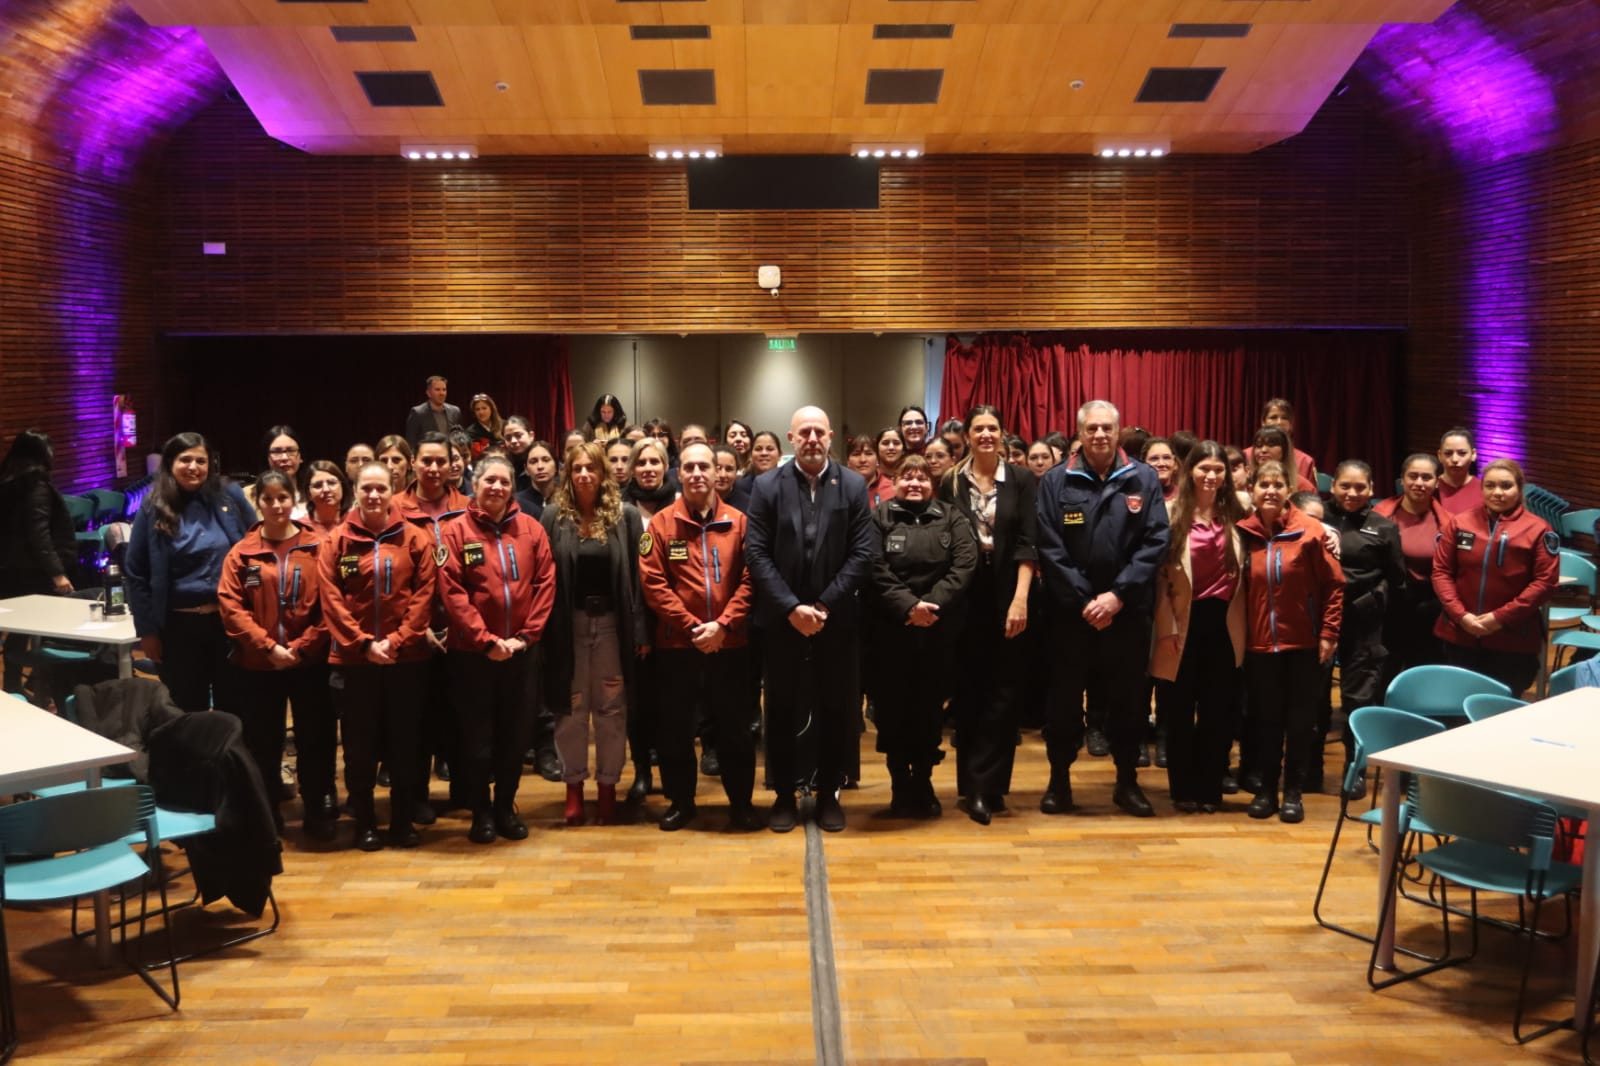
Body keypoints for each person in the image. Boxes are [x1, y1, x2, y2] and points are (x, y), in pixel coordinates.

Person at [745, 405, 876, 833]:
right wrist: (790, 607)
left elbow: (862, 552)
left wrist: (822, 607)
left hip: (834, 620)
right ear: (791, 437)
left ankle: (828, 794)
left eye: (820, 431)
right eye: (805, 432)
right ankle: (784, 793)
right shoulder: (767, 486)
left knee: (835, 709)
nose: (812, 439)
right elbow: (757, 553)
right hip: (782, 620)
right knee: (780, 708)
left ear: (831, 436)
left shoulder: (853, 485)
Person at [1035, 400, 1169, 817]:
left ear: (1118, 431)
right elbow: (1049, 546)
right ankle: (1059, 781)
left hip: (1126, 613)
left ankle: (1127, 782)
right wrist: (1085, 599)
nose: (1099, 435)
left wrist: (1116, 596)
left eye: (1107, 428)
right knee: (1062, 703)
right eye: (1091, 428)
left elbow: (1155, 542)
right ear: (1079, 433)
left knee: (1128, 703)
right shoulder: (1056, 481)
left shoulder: (1143, 479)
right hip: (1070, 616)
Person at [638, 442, 760, 831]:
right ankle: (682, 802)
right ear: (678, 473)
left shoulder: (740, 523)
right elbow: (653, 584)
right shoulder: (660, 524)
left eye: (704, 466)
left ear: (719, 472)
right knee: (675, 728)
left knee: (735, 729)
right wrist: (694, 626)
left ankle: (740, 803)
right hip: (678, 645)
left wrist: (723, 625)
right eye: (688, 467)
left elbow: (751, 578)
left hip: (731, 643)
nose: (696, 474)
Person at [318, 462, 438, 850]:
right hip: (355, 663)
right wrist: (365, 644)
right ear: (355, 490)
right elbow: (331, 600)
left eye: (380, 488)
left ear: (393, 490)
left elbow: (424, 596)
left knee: (405, 745)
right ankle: (365, 822)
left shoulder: (416, 538)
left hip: (407, 661)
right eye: (366, 488)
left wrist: (399, 640)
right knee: (359, 748)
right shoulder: (335, 541)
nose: (373, 495)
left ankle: (402, 822)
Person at [437, 454, 557, 844]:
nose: (497, 487)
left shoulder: (532, 529)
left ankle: (505, 806)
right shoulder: (454, 532)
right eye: (489, 480)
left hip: (521, 653)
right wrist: (487, 641)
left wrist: (524, 637)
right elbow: (453, 594)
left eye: (504, 481)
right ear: (475, 483)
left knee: (514, 735)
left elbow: (545, 584)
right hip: (473, 655)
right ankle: (481, 812)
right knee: (476, 738)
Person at [217, 469, 334, 838]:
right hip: (257, 663)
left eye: (283, 498)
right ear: (258, 503)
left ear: (294, 499)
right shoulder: (242, 552)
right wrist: (268, 647)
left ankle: (318, 806)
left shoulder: (319, 545)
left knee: (315, 737)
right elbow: (231, 607)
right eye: (268, 499)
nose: (277, 505)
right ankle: (266, 811)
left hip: (308, 662)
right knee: (262, 742)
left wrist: (299, 648)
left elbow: (332, 604)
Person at [541, 442, 648, 827]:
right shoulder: (553, 515)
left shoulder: (626, 516)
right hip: (568, 624)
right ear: (567, 474)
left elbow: (639, 579)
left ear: (603, 473)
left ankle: (606, 788)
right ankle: (573, 788)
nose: (584, 475)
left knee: (611, 708)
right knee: (570, 709)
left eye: (591, 468)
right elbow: (544, 576)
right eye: (576, 468)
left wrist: (640, 631)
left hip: (611, 627)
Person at [941, 405, 1037, 824]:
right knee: (969, 693)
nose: (985, 434)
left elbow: (1028, 542)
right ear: (966, 434)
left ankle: (992, 786)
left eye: (992, 428)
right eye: (977, 428)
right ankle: (974, 787)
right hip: (963, 597)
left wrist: (1020, 600)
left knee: (1004, 693)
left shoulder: (1022, 479)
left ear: (1002, 434)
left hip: (1006, 592)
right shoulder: (949, 481)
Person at [868, 454, 976, 817]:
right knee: (893, 711)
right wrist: (907, 606)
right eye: (906, 477)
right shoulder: (878, 517)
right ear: (894, 483)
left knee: (929, 710)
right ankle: (900, 782)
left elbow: (964, 563)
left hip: (937, 631)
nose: (914, 483)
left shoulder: (951, 516)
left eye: (922, 478)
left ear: (933, 483)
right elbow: (873, 567)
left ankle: (924, 780)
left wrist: (930, 605)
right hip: (890, 633)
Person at [1236, 461, 1343, 822]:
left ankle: (1293, 792)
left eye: (1277, 484)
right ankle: (1266, 789)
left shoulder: (1311, 532)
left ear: (1288, 490)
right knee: (1265, 720)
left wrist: (1328, 633)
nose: (1269, 490)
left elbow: (1333, 586)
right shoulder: (1242, 533)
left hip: (1303, 643)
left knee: (1300, 721)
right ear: (1251, 490)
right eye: (1262, 484)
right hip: (1259, 645)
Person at [125, 432, 257, 714]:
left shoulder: (229, 496)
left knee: (234, 708)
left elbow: (257, 551)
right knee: (187, 709)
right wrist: (147, 631)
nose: (193, 467)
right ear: (170, 463)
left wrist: (257, 608)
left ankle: (227, 760)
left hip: (229, 624)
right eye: (185, 459)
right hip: (176, 629)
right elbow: (136, 573)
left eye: (201, 460)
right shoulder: (152, 506)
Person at [1150, 442, 1246, 814]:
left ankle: (1209, 788)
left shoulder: (1240, 510)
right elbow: (1158, 579)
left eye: (1218, 470)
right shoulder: (1170, 512)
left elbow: (1291, 515)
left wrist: (1326, 530)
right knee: (1177, 710)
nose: (1211, 476)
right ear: (1189, 470)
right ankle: (1182, 789)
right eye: (1204, 468)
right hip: (1180, 621)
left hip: (1224, 623)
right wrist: (1166, 628)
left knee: (1217, 710)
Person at [1431, 458, 1559, 695]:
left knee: (1502, 709)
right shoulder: (1460, 523)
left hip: (1513, 639)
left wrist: (1498, 618)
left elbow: (1545, 583)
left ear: (1519, 489)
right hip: (1460, 633)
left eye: (1506, 486)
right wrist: (1461, 616)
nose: (1497, 492)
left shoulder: (1538, 529)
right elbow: (1442, 572)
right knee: (1456, 704)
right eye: (1490, 486)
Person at [396, 432, 471, 819]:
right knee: (417, 720)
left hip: (463, 631)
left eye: (441, 460)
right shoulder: (395, 508)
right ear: (414, 463)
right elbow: (391, 581)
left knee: (462, 713)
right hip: (413, 631)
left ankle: (465, 790)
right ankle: (416, 796)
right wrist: (417, 625)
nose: (434, 468)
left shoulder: (469, 507)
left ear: (452, 463)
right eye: (426, 460)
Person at [1324, 460, 1405, 790]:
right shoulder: (1318, 517)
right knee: (1315, 697)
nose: (1352, 493)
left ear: (1371, 489)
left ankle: (1354, 768)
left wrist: (1375, 600)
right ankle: (1309, 768)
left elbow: (1397, 579)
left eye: (1360, 487)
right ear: (1333, 486)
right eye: (1345, 485)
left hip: (1363, 622)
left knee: (1358, 698)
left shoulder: (1383, 527)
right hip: (1319, 620)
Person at [0, 430, 77, 693]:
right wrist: (57, 573)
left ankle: (15, 686)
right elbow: (39, 533)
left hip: (10, 570)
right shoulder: (36, 485)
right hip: (34, 571)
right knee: (41, 630)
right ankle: (46, 689)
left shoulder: (8, 483)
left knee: (19, 632)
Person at [1373, 454, 1450, 685]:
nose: (1419, 482)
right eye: (1413, 476)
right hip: (1389, 605)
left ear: (1437, 482)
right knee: (1385, 671)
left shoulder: (1448, 522)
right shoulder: (1379, 514)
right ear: (1402, 480)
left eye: (1427, 477)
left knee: (1423, 672)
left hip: (1430, 607)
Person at [244, 426, 308, 516]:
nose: (284, 458)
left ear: (301, 457)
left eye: (291, 451)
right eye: (277, 452)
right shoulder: (247, 495)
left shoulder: (313, 492)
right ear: (266, 457)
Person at [728, 430, 783, 512]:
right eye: (758, 449)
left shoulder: (789, 484)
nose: (764, 453)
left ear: (780, 455)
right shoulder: (739, 487)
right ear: (750, 455)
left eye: (770, 449)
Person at [1250, 426, 1315, 493]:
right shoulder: (1246, 481)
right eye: (1259, 445)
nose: (1263, 450)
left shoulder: (1303, 486)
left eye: (1271, 445)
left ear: (1284, 450)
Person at [624, 437, 677, 521]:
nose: (648, 468)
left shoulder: (680, 503)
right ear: (633, 469)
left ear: (665, 466)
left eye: (654, 462)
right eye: (641, 463)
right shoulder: (619, 504)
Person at [404, 375, 461, 449]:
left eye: (444, 389)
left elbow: (460, 438)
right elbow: (411, 442)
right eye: (437, 389)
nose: (442, 393)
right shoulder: (417, 413)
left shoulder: (455, 411)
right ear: (428, 393)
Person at [1436, 427, 1483, 514]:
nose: (1455, 459)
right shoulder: (1429, 488)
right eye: (1448, 453)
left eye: (1462, 453)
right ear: (1440, 455)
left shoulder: (1484, 490)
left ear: (1473, 454)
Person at [304, 460, 350, 537]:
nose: (326, 489)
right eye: (318, 485)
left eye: (332, 483)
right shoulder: (301, 527)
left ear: (343, 487)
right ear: (308, 493)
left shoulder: (355, 523)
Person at [515, 440, 560, 519]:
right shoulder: (517, 502)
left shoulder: (567, 499)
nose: (540, 466)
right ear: (526, 469)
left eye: (546, 460)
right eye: (533, 461)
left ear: (556, 466)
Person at [464, 393, 505, 461]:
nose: (481, 412)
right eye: (477, 409)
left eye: (484, 408)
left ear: (491, 409)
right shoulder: (471, 432)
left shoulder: (504, 425)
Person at [1141, 437, 1180, 505]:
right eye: (1154, 459)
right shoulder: (1136, 498)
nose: (1161, 463)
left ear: (1175, 464)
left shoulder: (1185, 498)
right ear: (1143, 464)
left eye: (1166, 457)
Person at [502, 417, 535, 495]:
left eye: (518, 435)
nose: (513, 441)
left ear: (531, 436)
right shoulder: (504, 465)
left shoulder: (545, 458)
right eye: (508, 438)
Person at [846, 435, 882, 505]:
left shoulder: (892, 488)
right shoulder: (838, 489)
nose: (863, 460)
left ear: (877, 460)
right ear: (848, 462)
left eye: (869, 454)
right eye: (856, 454)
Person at [874, 427, 906, 501]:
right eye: (885, 443)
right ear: (877, 448)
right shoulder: (870, 479)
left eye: (896, 443)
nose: (891, 447)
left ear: (903, 449)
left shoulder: (911, 480)